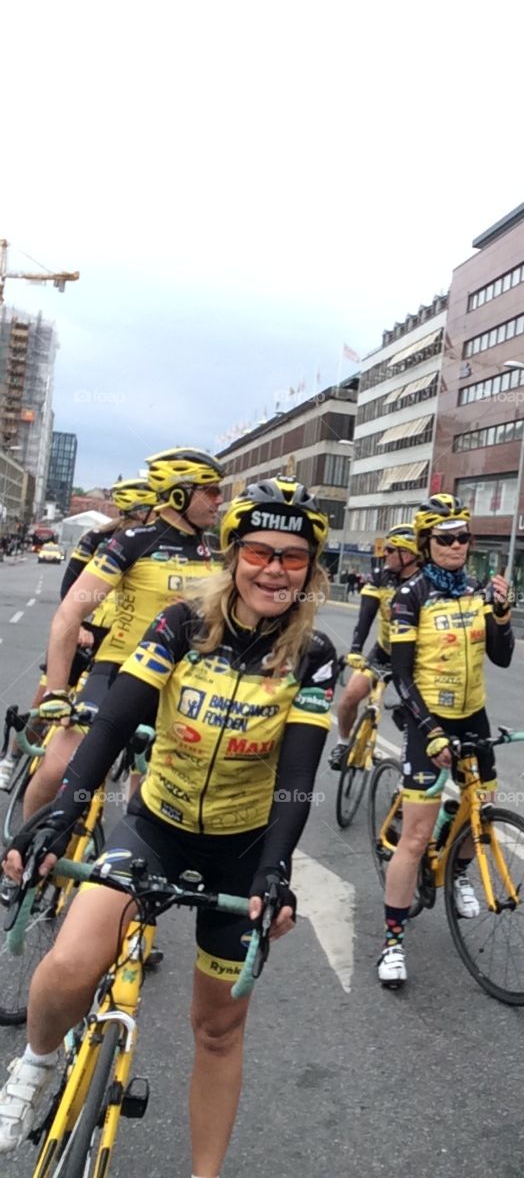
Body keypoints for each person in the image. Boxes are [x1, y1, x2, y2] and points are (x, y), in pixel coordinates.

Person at [0, 477, 337, 1175]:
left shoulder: (312, 655)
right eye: (259, 552)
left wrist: (276, 870)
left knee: (217, 1031)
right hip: (157, 825)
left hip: (242, 851)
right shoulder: (182, 623)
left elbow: (298, 778)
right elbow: (121, 715)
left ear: (310, 571)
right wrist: (66, 809)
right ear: (233, 555)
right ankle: (34, 1069)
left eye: (292, 558)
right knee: (68, 963)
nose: (274, 569)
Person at [24, 448, 223, 819]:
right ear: (180, 494)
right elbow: (70, 612)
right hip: (118, 670)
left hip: (174, 685)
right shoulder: (132, 540)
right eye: (210, 491)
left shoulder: (209, 552)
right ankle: (18, 863)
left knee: (149, 798)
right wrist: (56, 691)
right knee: (57, 769)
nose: (219, 500)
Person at [377, 493, 514, 988]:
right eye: (446, 538)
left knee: (484, 808)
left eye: (463, 537)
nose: (457, 545)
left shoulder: (478, 589)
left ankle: (456, 873)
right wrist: (430, 729)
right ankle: (392, 944)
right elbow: (401, 673)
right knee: (414, 838)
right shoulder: (409, 596)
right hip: (427, 717)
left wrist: (501, 614)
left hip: (473, 713)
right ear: (427, 543)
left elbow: (500, 658)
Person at [329, 523, 420, 770]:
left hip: (417, 658)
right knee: (349, 696)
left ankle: (406, 774)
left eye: (390, 550)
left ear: (408, 554)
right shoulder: (381, 576)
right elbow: (366, 614)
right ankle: (343, 742)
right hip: (384, 651)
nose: (384, 554)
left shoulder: (425, 581)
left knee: (414, 715)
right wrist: (356, 650)